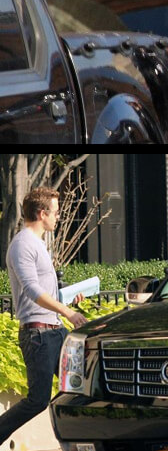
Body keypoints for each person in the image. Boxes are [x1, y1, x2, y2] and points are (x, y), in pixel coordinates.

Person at [0, 187, 86, 445]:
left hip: (55, 331)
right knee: (38, 400)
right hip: (38, 335)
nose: (58, 217)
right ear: (41, 213)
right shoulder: (22, 245)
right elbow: (33, 291)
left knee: (81, 388)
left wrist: (68, 299)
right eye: (56, 212)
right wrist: (67, 311)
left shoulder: (37, 244)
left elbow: (45, 293)